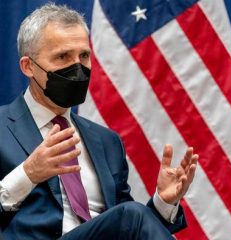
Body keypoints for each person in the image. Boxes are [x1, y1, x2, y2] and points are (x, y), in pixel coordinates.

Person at [0, 3, 198, 239]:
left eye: (83, 56)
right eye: (62, 56)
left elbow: (124, 227)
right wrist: (28, 174)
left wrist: (163, 203)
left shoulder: (107, 141)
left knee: (131, 215)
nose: (77, 67)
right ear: (28, 66)